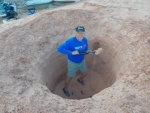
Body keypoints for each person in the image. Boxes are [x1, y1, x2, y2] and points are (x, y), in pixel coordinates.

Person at [57, 26, 88, 97]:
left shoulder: (85, 40)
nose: (80, 34)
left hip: (82, 61)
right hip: (73, 63)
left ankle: (80, 80)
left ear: (84, 33)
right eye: (78, 33)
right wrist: (71, 53)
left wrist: (87, 51)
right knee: (70, 77)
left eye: (82, 33)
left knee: (85, 73)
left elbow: (86, 49)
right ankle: (65, 89)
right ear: (75, 33)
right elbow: (60, 49)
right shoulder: (70, 41)